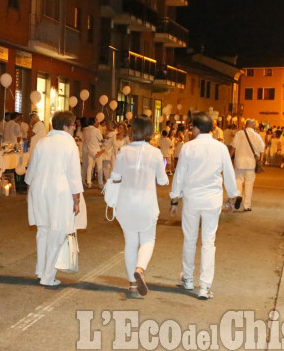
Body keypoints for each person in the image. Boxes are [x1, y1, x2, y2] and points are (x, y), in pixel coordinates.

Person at [169, 112, 240, 300]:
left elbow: (180, 174)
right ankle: (205, 286)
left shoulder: (188, 147)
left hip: (192, 199)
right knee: (209, 242)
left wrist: (174, 199)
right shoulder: (220, 148)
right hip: (212, 200)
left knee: (189, 239)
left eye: (192, 127)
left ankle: (188, 279)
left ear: (197, 128)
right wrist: (232, 197)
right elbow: (229, 174)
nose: (191, 130)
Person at [25, 111, 85, 287]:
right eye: (73, 126)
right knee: (57, 232)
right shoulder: (69, 145)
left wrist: (30, 194)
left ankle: (40, 269)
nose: (74, 129)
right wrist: (76, 200)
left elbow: (31, 170)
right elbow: (74, 175)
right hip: (59, 191)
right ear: (67, 126)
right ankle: (48, 276)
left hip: (39, 189)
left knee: (43, 230)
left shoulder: (43, 142)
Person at [110, 116, 169, 295]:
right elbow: (163, 180)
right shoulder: (156, 153)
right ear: (150, 132)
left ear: (132, 131)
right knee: (148, 239)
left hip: (126, 203)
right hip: (147, 204)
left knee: (130, 242)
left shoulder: (123, 151)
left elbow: (115, 177)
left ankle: (132, 285)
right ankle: (140, 269)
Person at [230, 119, 265, 212]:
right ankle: (247, 206)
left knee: (238, 179)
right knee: (249, 183)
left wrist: (229, 158)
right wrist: (261, 161)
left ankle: (239, 195)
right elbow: (262, 149)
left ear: (246, 125)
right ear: (253, 125)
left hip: (239, 161)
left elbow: (233, 147)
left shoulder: (239, 134)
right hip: (251, 163)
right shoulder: (257, 136)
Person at [82, 116, 103, 189]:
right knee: (99, 166)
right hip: (97, 150)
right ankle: (100, 183)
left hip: (89, 150)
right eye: (96, 121)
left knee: (89, 166)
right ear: (94, 122)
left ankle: (89, 182)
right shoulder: (96, 130)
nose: (97, 123)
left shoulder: (85, 130)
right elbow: (101, 139)